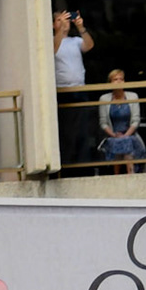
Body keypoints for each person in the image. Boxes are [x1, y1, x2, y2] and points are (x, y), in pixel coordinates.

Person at [52, 10, 96, 172]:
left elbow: (89, 45)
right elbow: (52, 50)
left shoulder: (75, 40)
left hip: (80, 89)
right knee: (66, 132)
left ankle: (83, 167)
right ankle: (68, 168)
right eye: (59, 19)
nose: (64, 22)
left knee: (82, 131)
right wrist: (59, 31)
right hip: (63, 92)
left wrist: (81, 27)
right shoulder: (52, 41)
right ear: (52, 24)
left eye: (66, 19)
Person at [95, 70, 146, 175]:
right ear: (110, 83)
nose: (119, 82)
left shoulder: (133, 96)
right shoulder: (104, 99)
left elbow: (136, 120)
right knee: (116, 142)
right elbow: (103, 122)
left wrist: (126, 135)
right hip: (111, 135)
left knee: (126, 141)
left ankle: (130, 173)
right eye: (115, 79)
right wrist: (114, 135)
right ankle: (117, 175)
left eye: (121, 79)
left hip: (131, 135)